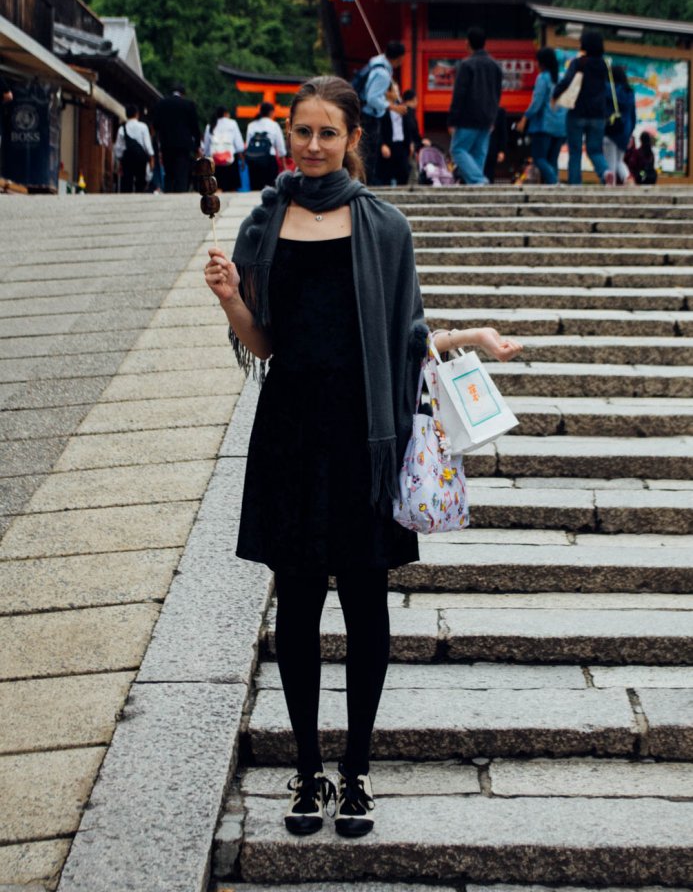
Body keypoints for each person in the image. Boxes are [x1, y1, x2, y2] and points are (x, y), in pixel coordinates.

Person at [204, 75, 520, 840]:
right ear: (287, 136)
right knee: (301, 606)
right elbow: (265, 344)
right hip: (290, 432)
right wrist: (230, 301)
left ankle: (357, 774)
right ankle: (307, 771)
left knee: (367, 605)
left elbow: (406, 337)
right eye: (300, 132)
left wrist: (470, 336)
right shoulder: (265, 222)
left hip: (365, 437)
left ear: (353, 139)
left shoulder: (385, 227)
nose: (312, 146)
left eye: (326, 133)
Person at [551, 31, 610, 185]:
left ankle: (575, 184)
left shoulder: (578, 63)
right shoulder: (604, 65)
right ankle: (605, 173)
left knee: (575, 151)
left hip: (577, 112)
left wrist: (554, 96)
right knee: (595, 150)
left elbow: (566, 81)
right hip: (598, 115)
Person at [448, 26, 503, 185]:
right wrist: (493, 118)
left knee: (458, 150)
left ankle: (478, 180)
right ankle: (475, 185)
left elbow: (459, 94)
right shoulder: (495, 66)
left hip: (468, 116)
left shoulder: (466, 65)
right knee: (479, 153)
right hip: (487, 117)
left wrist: (452, 119)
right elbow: (497, 94)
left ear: (468, 43)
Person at [358, 41, 407, 183]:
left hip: (365, 113)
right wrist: (393, 107)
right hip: (370, 115)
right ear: (398, 58)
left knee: (366, 150)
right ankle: (366, 182)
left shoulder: (376, 63)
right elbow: (372, 98)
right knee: (369, 152)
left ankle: (366, 181)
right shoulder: (383, 73)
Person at [516, 48, 567, 185]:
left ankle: (554, 182)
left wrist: (525, 118)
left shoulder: (543, 78)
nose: (536, 64)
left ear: (542, 63)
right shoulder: (561, 78)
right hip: (560, 126)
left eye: (537, 61)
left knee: (539, 157)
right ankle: (554, 189)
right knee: (552, 160)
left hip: (544, 125)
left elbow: (537, 102)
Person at [152, 82, 201, 192]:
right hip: (183, 145)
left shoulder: (161, 104)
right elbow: (195, 127)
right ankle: (180, 193)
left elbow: (156, 124)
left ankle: (169, 191)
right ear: (183, 94)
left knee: (169, 172)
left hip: (166, 143)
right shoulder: (188, 104)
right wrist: (197, 145)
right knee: (182, 171)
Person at [377, 84, 417, 185]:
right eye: (395, 91)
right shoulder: (381, 108)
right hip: (388, 145)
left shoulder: (402, 107)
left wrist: (411, 142)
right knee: (385, 176)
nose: (397, 94)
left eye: (398, 91)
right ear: (388, 93)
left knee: (404, 174)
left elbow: (408, 126)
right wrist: (382, 144)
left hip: (402, 145)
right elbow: (378, 128)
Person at [603, 65, 636, 185]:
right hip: (624, 132)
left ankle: (609, 190)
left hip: (609, 132)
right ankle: (627, 177)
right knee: (619, 161)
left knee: (610, 164)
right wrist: (630, 135)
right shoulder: (629, 92)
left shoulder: (607, 90)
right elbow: (633, 116)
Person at [245, 102, 288, 190]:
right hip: (269, 160)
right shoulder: (274, 125)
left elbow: (248, 144)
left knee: (255, 188)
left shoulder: (251, 125)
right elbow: (280, 147)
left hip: (253, 161)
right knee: (270, 188)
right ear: (271, 112)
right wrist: (284, 165)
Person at [203, 106, 245, 192]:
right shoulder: (232, 123)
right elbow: (239, 144)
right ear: (225, 113)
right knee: (232, 187)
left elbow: (206, 147)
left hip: (215, 160)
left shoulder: (210, 125)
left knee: (217, 186)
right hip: (230, 160)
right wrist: (242, 158)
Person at [114, 104, 154, 193]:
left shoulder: (122, 128)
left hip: (127, 158)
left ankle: (126, 199)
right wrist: (151, 158)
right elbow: (147, 145)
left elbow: (118, 147)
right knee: (140, 182)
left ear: (126, 115)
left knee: (127, 182)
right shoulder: (143, 127)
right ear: (137, 114)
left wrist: (120, 160)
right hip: (141, 158)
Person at [484, 105, 509, 184]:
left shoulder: (499, 112)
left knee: (489, 173)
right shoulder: (475, 109)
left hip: (491, 149)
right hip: (479, 148)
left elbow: (503, 132)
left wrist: (502, 150)